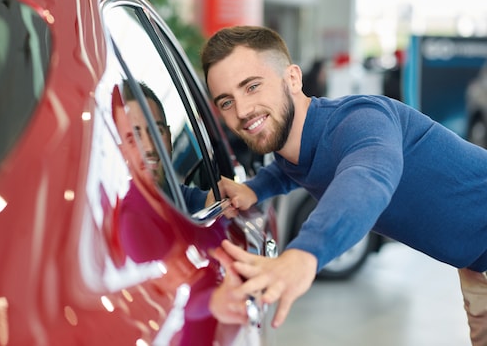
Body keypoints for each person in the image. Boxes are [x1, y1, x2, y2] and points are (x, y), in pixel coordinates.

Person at [200, 25, 487, 345]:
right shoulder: (293, 150)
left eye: (252, 86)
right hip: (474, 266)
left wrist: (304, 253)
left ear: (293, 78)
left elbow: (368, 176)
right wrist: (254, 188)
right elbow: (290, 169)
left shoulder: (363, 119)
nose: (241, 111)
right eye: (226, 102)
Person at [122, 80, 214, 213]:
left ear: (169, 137)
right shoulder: (114, 218)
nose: (149, 147)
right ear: (121, 150)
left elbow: (210, 200)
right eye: (134, 137)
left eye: (156, 132)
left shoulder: (181, 198)